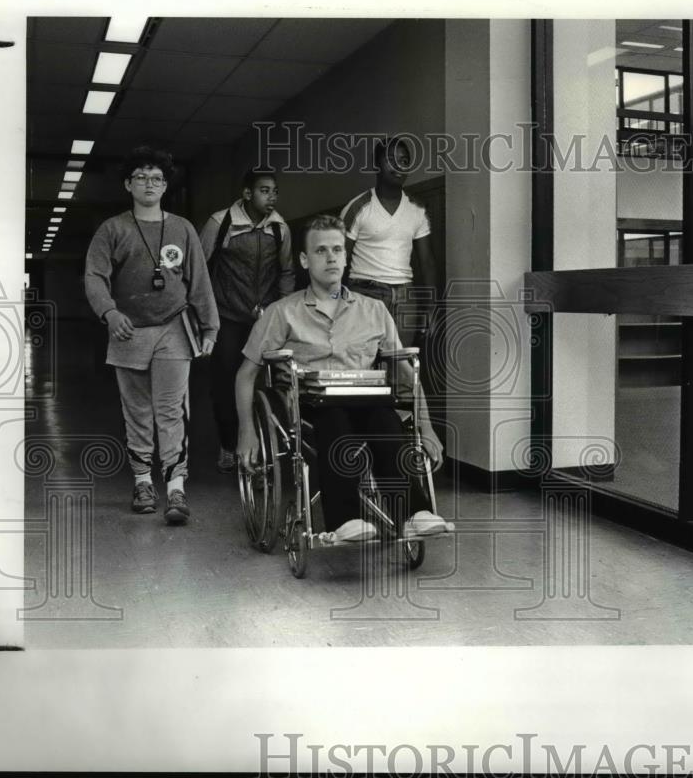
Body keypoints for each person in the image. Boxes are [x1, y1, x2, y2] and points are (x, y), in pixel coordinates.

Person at [234, 215, 446, 543]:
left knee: (385, 418)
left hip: (367, 398)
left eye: (337, 249)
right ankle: (346, 520)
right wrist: (247, 433)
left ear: (347, 257)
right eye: (321, 251)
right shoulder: (282, 312)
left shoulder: (374, 310)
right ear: (304, 260)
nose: (331, 257)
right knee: (334, 420)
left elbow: (407, 372)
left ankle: (414, 514)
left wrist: (427, 427)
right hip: (311, 406)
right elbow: (246, 374)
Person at [84, 145, 219, 525]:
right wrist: (109, 312)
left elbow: (199, 282)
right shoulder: (113, 229)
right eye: (141, 177)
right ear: (128, 184)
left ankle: (176, 487)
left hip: (175, 328)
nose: (149, 183)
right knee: (138, 412)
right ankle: (143, 482)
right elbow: (94, 276)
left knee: (171, 410)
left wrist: (210, 326)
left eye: (157, 178)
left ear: (165, 186)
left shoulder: (182, 229)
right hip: (128, 330)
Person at [199, 170, 295, 473]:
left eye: (275, 191)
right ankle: (229, 446)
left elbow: (287, 273)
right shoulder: (221, 222)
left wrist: (283, 312)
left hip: (264, 319)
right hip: (226, 316)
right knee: (227, 382)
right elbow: (200, 270)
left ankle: (264, 448)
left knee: (268, 384)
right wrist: (204, 317)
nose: (272, 197)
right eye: (264, 190)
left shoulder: (279, 228)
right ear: (247, 194)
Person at [339, 136, 438, 347]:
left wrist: (431, 308)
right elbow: (338, 257)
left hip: (405, 297)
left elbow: (427, 262)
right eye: (391, 159)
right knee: (365, 366)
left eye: (403, 160)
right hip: (365, 293)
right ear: (376, 165)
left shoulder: (417, 209)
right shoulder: (358, 207)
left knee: (402, 366)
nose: (398, 165)